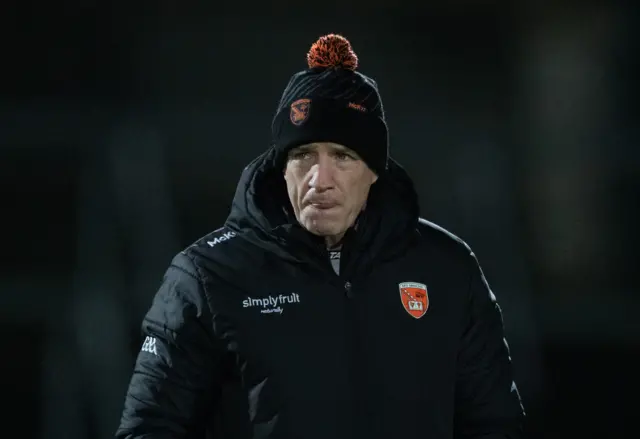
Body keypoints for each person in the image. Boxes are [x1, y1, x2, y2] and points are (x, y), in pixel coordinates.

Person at [115, 34, 525, 439]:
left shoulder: (447, 270)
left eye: (343, 157)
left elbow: (495, 426)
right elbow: (150, 428)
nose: (319, 179)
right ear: (282, 166)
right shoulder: (207, 276)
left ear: (375, 171)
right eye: (303, 155)